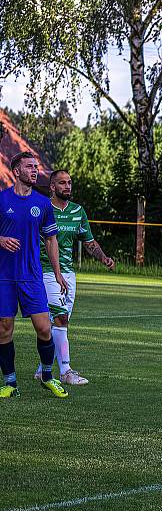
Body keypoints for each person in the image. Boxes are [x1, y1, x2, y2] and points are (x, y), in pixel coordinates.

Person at [33, 170, 115, 385]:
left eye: (69, 182)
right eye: (62, 183)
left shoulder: (78, 211)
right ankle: (66, 371)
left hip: (68, 274)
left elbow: (89, 242)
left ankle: (43, 369)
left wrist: (103, 258)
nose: (67, 186)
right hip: (46, 271)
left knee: (59, 324)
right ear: (52, 187)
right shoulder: (41, 208)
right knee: (61, 319)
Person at [0, 152, 68, 399]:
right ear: (16, 171)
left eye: (36, 166)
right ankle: (10, 383)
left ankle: (48, 377)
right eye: (29, 166)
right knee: (4, 329)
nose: (35, 170)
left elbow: (51, 240)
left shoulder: (43, 204)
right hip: (4, 277)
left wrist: (58, 274)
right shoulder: (1, 199)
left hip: (32, 276)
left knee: (43, 328)